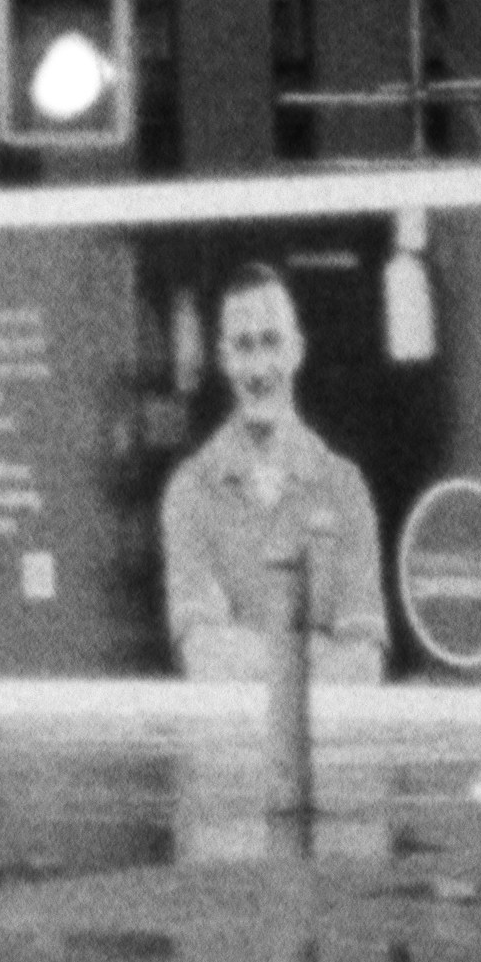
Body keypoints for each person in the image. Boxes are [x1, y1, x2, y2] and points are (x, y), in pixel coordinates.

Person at [157, 271, 390, 688]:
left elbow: (363, 667)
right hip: (226, 751)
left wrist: (241, 644)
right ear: (224, 358)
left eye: (271, 342)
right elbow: (205, 661)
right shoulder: (190, 492)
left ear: (298, 350)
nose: (260, 368)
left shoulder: (345, 488)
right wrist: (316, 647)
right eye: (243, 346)